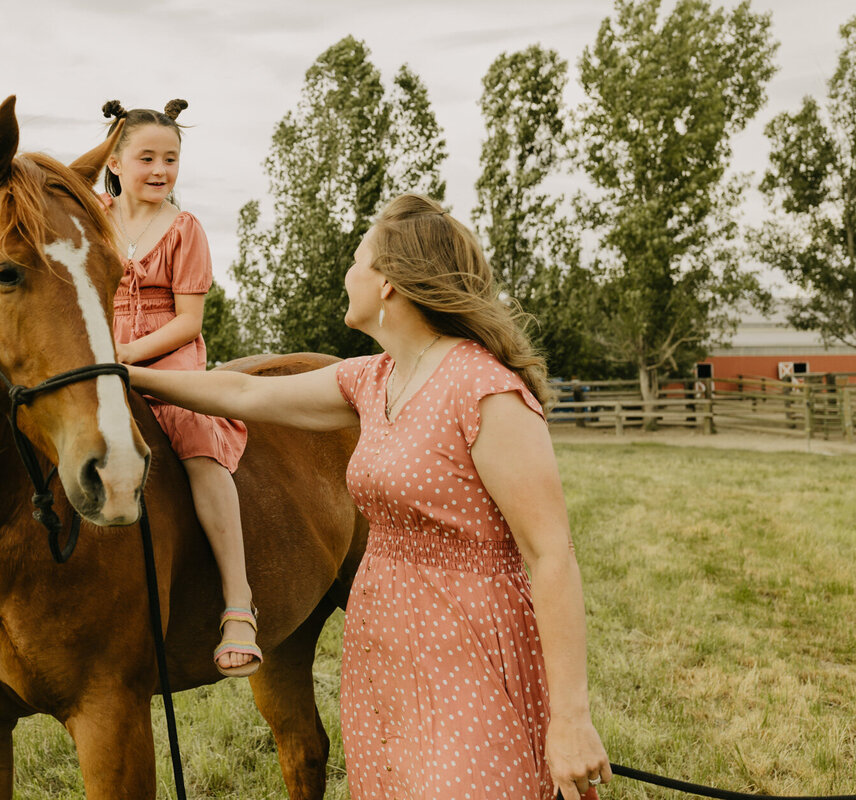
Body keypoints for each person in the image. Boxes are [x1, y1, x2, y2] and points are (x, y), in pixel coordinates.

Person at [125, 193, 611, 799]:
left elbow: (551, 554)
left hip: (470, 647)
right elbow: (242, 395)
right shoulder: (373, 377)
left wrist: (569, 720)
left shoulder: (486, 391)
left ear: (388, 285)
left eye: (358, 260)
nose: (347, 274)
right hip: (384, 645)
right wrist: (117, 373)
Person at [100, 99, 260, 678]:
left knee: (197, 445)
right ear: (114, 162)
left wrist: (126, 355)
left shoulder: (185, 229)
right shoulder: (92, 217)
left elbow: (188, 323)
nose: (160, 170)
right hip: (98, 352)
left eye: (170, 159)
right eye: (146, 157)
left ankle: (238, 603)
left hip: (167, 357)